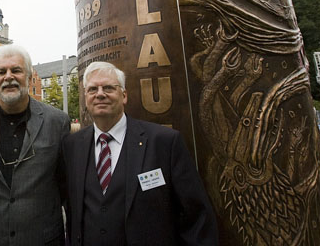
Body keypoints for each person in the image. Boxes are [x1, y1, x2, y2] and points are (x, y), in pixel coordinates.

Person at [62, 61, 218, 245]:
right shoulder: (71, 146)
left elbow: (196, 214)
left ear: (124, 95)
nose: (100, 94)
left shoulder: (164, 142)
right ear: (85, 98)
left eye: (109, 88)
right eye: (93, 89)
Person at [0, 44, 70, 246]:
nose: (8, 76)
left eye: (16, 70)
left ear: (28, 77)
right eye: (1, 72)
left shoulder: (58, 122)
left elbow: (66, 187)